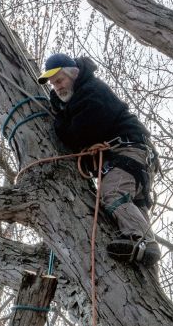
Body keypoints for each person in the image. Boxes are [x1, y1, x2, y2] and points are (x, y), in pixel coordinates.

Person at [37, 53, 161, 267]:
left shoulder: (91, 92)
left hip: (128, 151)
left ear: (73, 74)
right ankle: (142, 252)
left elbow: (77, 133)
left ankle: (141, 241)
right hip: (132, 157)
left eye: (59, 80)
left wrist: (59, 119)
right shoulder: (78, 98)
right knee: (133, 205)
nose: (56, 87)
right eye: (53, 84)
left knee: (113, 193)